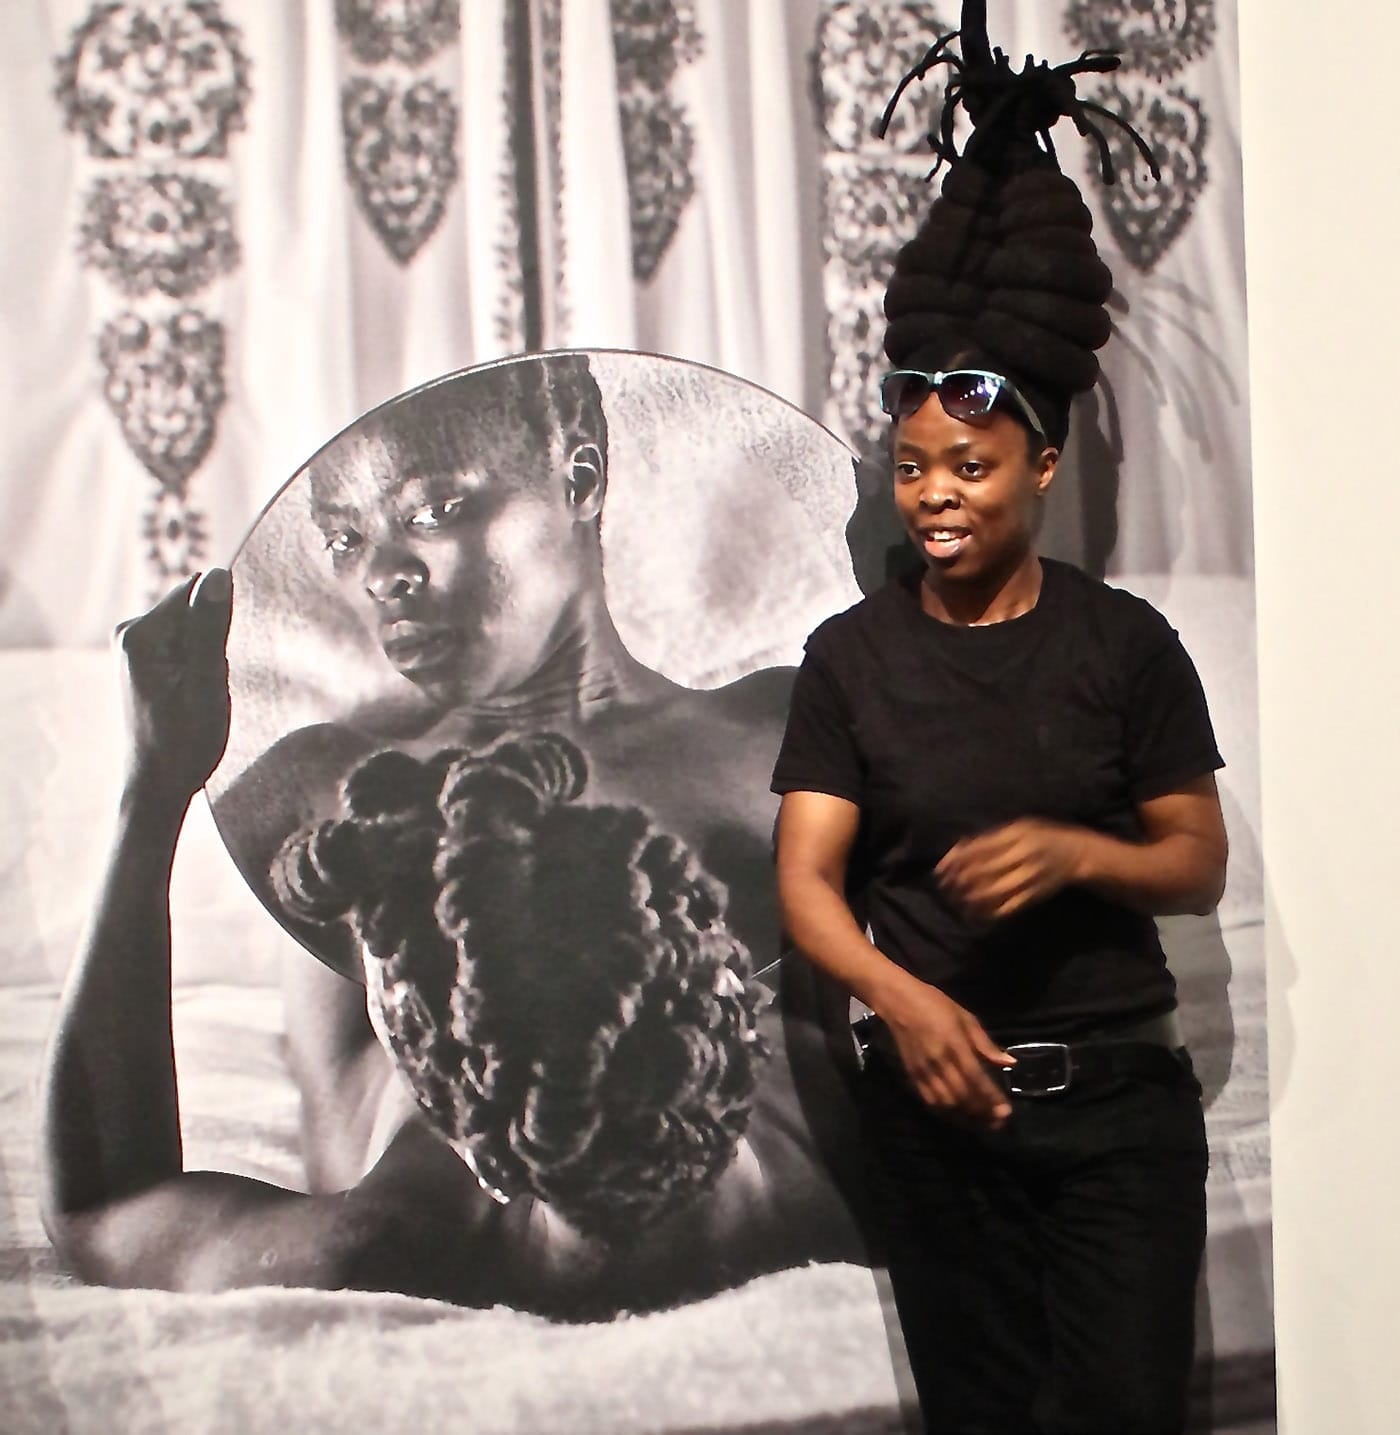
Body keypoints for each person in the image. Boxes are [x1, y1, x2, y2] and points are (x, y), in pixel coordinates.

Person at [772, 8, 1228, 1431]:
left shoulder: (1123, 643)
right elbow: (807, 882)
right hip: (937, 1117)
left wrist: (1076, 853)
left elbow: (1194, 859)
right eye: (911, 467)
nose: (936, 494)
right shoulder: (851, 656)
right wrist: (903, 1002)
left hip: (1116, 1123)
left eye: (969, 464)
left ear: (1041, 458)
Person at [38, 568, 862, 1315]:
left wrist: (149, 791)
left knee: (347, 810)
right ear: (740, 996)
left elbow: (100, 1203)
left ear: (484, 1160)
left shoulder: (403, 1234)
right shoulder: (877, 1191)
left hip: (455, 1030)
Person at [212, 354, 842, 1199]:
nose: (381, 574)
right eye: (345, 538)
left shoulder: (780, 733)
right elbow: (342, 1138)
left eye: (434, 510)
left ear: (579, 477)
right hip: (483, 1239)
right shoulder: (320, 790)